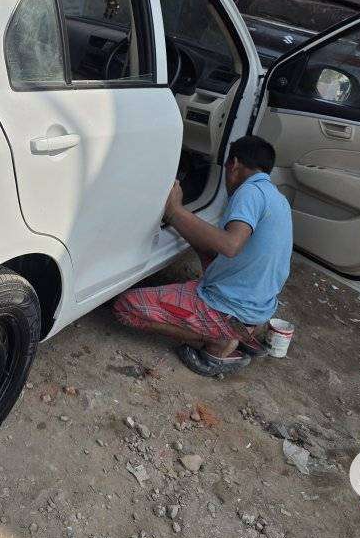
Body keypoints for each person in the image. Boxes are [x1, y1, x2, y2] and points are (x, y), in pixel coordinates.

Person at [113, 135, 293, 376]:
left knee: (124, 306)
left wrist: (175, 210)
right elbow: (220, 251)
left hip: (226, 308)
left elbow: (230, 245)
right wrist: (181, 223)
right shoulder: (277, 199)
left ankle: (214, 340)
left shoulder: (248, 191)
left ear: (234, 164)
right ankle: (241, 334)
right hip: (257, 311)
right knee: (210, 259)